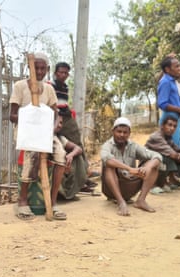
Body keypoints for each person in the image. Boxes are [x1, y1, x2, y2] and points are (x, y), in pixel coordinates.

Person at [9, 52, 68, 220]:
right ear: (30, 67)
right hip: (27, 134)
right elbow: (12, 115)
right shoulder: (20, 86)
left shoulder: (49, 89)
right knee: (31, 154)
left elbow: (56, 114)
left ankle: (54, 202)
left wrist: (55, 125)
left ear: (48, 69)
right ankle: (22, 202)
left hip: (46, 134)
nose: (40, 71)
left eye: (43, 68)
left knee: (61, 156)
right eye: (36, 68)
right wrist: (30, 118)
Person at [49, 62, 96, 194]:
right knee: (65, 148)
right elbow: (53, 105)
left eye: (66, 73)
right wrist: (57, 119)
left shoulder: (64, 87)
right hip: (58, 119)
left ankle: (83, 176)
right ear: (55, 73)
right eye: (61, 72)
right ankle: (81, 178)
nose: (63, 75)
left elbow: (63, 104)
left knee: (77, 145)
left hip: (66, 118)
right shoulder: (50, 85)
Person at [100, 117, 162, 216]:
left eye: (125, 132)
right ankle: (121, 202)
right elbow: (106, 159)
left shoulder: (134, 146)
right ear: (113, 131)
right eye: (119, 131)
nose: (121, 135)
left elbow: (157, 156)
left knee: (154, 165)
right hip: (112, 191)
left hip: (130, 188)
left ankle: (141, 200)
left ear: (129, 133)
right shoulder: (107, 146)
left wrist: (147, 168)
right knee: (109, 166)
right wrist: (129, 169)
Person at [145, 113, 180, 193]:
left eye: (174, 126)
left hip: (157, 163)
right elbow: (173, 154)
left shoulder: (168, 138)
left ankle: (168, 181)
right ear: (162, 126)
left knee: (175, 157)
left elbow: (179, 150)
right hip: (146, 165)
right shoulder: (157, 137)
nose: (172, 128)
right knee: (166, 157)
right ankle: (153, 185)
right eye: (169, 125)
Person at [157, 56, 180, 148]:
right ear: (167, 69)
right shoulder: (165, 82)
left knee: (177, 145)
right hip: (169, 119)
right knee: (172, 147)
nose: (179, 69)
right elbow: (162, 103)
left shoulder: (172, 81)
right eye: (176, 66)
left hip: (174, 118)